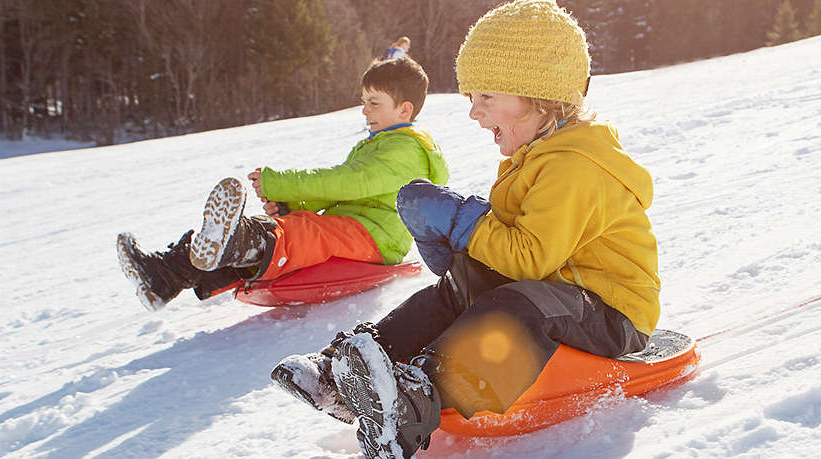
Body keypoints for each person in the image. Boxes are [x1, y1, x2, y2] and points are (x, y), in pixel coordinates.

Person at [269, 1, 661, 458]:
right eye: (471, 99)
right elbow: (514, 250)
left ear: (541, 95)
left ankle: (416, 398)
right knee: (460, 288)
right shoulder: (534, 158)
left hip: (611, 311)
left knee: (515, 304)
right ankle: (345, 375)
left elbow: (529, 258)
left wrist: (462, 222)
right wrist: (458, 250)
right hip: (556, 288)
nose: (475, 113)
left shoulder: (575, 166)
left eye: (487, 98)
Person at [117, 56, 449, 312]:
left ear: (405, 109)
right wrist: (292, 206)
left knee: (299, 233)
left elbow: (349, 184)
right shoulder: (382, 143)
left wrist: (282, 185)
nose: (364, 111)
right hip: (353, 226)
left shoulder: (406, 149)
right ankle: (163, 275)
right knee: (283, 227)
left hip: (376, 236)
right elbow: (347, 196)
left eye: (373, 103)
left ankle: (237, 242)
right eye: (363, 102)